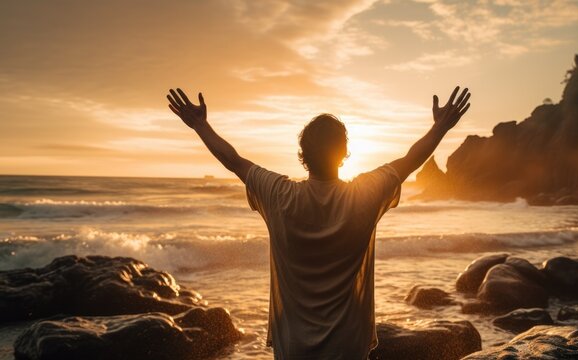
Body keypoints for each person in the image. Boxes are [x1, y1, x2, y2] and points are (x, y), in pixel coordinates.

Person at [167, 86, 471, 359]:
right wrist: (440, 127)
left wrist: (200, 126)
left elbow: (233, 160)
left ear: (303, 155)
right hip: (348, 345)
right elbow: (410, 160)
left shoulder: (278, 195)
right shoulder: (363, 196)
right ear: (343, 155)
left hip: (294, 346)